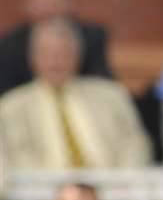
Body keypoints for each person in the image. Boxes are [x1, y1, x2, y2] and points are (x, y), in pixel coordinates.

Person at [0, 20, 150, 177]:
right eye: (48, 54)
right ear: (33, 58)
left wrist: (121, 182)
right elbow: (17, 155)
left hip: (112, 189)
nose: (55, 61)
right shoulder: (12, 106)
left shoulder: (111, 95)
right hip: (43, 193)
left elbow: (135, 143)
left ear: (77, 57)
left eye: (63, 53)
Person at [0, 0, 114, 96]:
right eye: (38, 1)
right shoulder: (9, 46)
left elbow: (102, 85)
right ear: (25, 4)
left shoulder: (91, 37)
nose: (45, 8)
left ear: (69, 1)